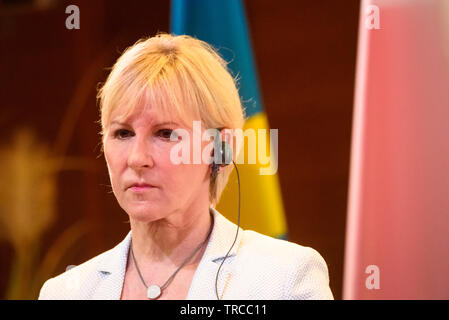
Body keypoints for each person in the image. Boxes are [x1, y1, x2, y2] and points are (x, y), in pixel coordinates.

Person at [38, 33, 333, 300]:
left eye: (165, 133)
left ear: (220, 149)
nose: (136, 158)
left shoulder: (284, 278)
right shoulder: (63, 292)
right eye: (123, 133)